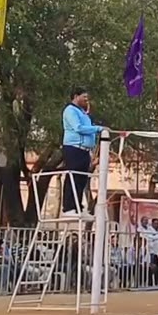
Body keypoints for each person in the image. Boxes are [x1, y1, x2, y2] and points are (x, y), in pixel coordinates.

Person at [61, 87, 103, 218]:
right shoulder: (70, 111)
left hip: (85, 150)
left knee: (82, 180)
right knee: (73, 177)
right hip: (74, 148)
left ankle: (78, 207)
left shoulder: (83, 113)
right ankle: (68, 207)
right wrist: (98, 128)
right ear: (75, 96)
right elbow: (78, 128)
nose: (86, 100)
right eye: (84, 97)